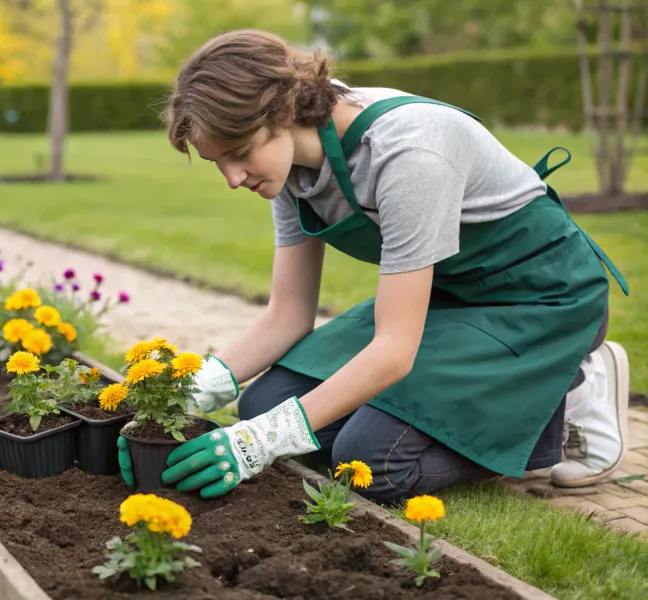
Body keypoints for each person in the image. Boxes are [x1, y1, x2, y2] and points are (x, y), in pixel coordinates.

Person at [118, 29, 631, 502]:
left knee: (370, 460)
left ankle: (573, 391)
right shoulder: (290, 168)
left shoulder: (407, 152)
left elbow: (393, 351)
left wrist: (261, 444)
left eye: (239, 153)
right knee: (262, 403)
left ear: (284, 111)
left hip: (541, 301)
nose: (233, 178)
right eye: (218, 163)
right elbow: (288, 314)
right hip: (447, 298)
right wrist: (188, 391)